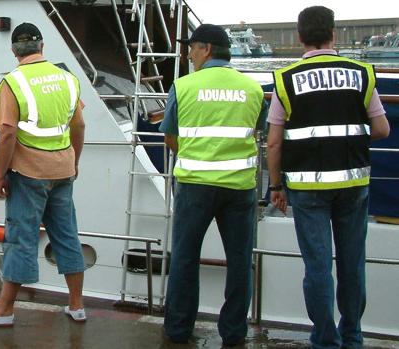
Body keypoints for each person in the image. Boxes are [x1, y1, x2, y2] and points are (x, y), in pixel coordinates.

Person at [267, 6, 390, 349]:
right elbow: (381, 128)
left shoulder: (285, 79)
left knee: (318, 266)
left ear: (300, 37)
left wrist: (276, 186)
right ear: (333, 34)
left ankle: (325, 339)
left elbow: (274, 141)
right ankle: (353, 336)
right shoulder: (362, 73)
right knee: (352, 264)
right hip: (353, 185)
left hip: (307, 188)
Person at [0, 22, 87, 326]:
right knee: (67, 234)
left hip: (29, 173)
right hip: (63, 171)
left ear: (13, 51)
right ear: (42, 47)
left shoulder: (13, 83)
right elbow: (79, 126)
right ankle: (76, 305)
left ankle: (3, 310)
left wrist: (1, 174)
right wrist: (73, 162)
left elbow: (7, 134)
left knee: (20, 238)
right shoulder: (68, 79)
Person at [160, 24, 264, 346]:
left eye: (191, 48)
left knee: (185, 257)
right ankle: (234, 333)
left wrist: (195, 155)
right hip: (239, 188)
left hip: (194, 186)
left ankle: (178, 330)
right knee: (239, 262)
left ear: (205, 49)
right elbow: (255, 134)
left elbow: (169, 137)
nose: (188, 55)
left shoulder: (184, 86)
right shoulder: (253, 89)